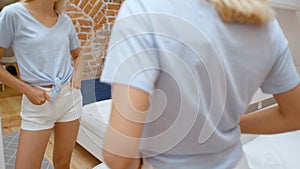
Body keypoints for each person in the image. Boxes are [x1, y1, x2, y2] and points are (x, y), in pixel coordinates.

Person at [100, 0, 300, 169]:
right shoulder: (265, 24)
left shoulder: (143, 9)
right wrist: (229, 126)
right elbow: (294, 115)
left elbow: (119, 156)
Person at [0, 0, 83, 168]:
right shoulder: (12, 14)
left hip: (70, 99)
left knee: (63, 163)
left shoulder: (65, 21)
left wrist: (78, 76)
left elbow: (78, 55)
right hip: (37, 102)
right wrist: (28, 90)